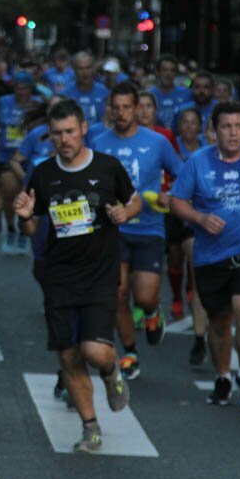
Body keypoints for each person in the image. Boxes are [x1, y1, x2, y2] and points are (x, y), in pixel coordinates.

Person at [13, 98, 136, 453]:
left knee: (95, 351)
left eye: (70, 131)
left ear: (84, 129)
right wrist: (23, 215)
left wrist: (125, 213)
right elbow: (32, 226)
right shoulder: (43, 173)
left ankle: (112, 373)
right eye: (57, 134)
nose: (64, 139)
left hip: (100, 274)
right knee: (68, 358)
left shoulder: (109, 167)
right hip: (59, 276)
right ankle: (90, 427)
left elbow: (135, 201)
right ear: (49, 137)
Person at [170, 101, 240, 409]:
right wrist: (199, 218)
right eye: (226, 127)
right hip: (210, 255)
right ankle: (223, 377)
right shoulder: (198, 162)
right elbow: (177, 201)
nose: (233, 133)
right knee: (219, 322)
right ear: (214, 130)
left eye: (238, 126)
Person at [91, 82, 183, 380]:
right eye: (115, 107)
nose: (121, 113)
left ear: (136, 109)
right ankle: (130, 351)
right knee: (118, 294)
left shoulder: (157, 142)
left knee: (143, 297)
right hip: (112, 230)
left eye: (127, 107)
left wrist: (171, 195)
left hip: (148, 229)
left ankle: (153, 312)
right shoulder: (98, 140)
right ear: (109, 109)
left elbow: (182, 174)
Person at [167, 108, 209, 364]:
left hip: (200, 217)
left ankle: (199, 337)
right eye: (186, 122)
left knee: (196, 267)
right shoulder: (171, 147)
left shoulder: (208, 149)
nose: (190, 127)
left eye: (195, 122)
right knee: (174, 260)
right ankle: (175, 297)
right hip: (175, 210)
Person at [0, 71, 41, 254]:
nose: (20, 91)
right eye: (17, 87)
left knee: (29, 194)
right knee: (8, 189)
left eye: (24, 87)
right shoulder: (3, 102)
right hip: (6, 156)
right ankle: (11, 229)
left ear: (30, 88)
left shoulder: (37, 104)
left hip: (29, 157)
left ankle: (24, 228)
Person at [62, 51, 109, 125]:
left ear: (93, 68)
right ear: (74, 70)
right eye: (80, 69)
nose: (85, 73)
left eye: (88, 68)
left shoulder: (104, 92)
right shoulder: (65, 94)